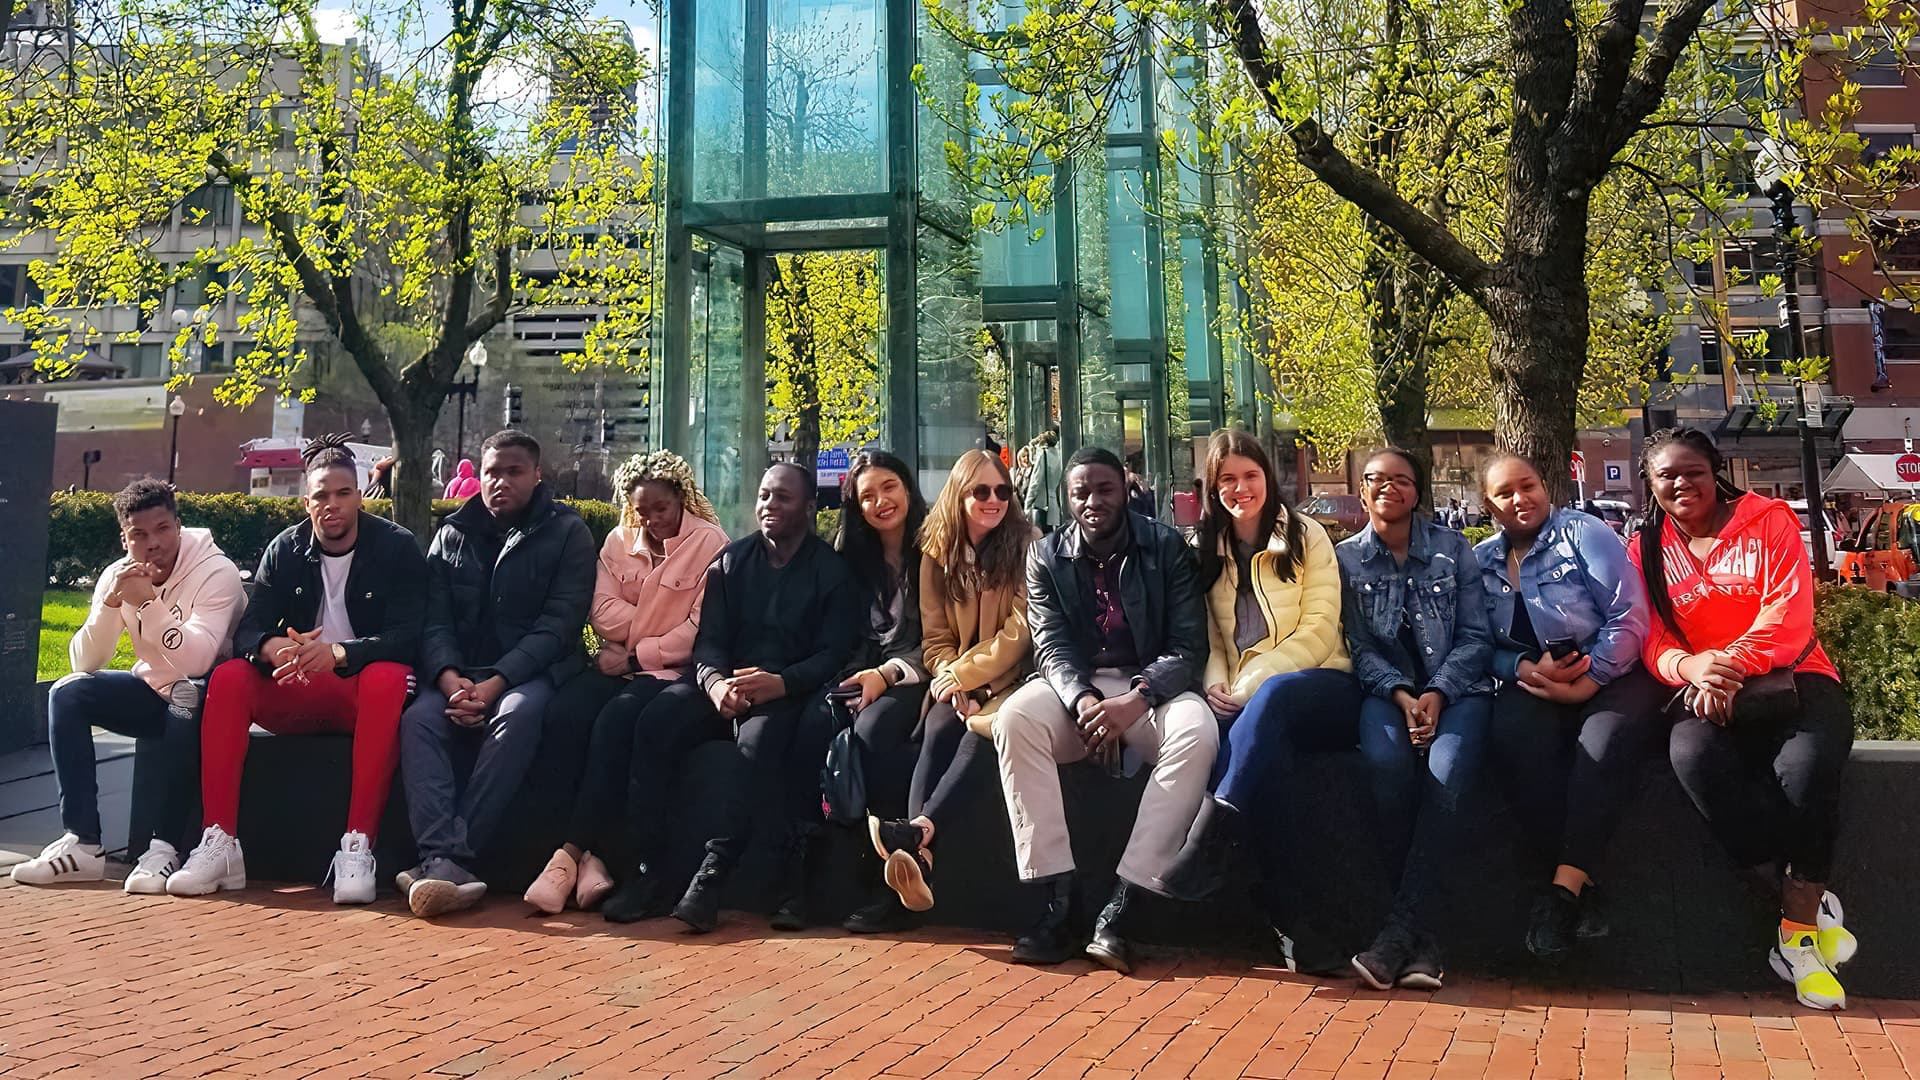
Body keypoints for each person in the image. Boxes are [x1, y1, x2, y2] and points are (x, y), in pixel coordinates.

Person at [1628, 427, 1858, 1011]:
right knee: (1693, 758)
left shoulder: (1769, 521)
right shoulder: (1645, 547)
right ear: (1650, 485)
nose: (1681, 484)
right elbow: (1649, 638)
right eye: (1666, 476)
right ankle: (1802, 904)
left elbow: (1789, 613)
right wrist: (1693, 667)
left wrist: (1726, 665)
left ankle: (1797, 937)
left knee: (1807, 771)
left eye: (1693, 471)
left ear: (1716, 471)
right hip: (1705, 689)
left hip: (1792, 678)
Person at [165, 437, 425, 903]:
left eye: (342, 493)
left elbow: (410, 634)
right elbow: (249, 630)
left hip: (362, 693)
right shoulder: (285, 549)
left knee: (388, 676)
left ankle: (357, 847)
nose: (332, 505)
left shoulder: (396, 547)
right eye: (321, 496)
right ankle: (220, 841)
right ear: (307, 502)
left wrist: (341, 653)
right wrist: (272, 647)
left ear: (360, 493)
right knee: (228, 678)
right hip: (298, 689)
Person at [993, 446, 1214, 975]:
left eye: (1104, 489)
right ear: (1067, 499)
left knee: (1198, 732)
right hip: (1080, 692)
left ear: (1126, 489)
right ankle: (1058, 901)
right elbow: (1050, 646)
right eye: (1080, 492)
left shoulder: (1166, 548)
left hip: (1149, 691)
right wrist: (1085, 700)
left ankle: (1124, 907)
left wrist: (1135, 698)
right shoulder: (1046, 555)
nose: (1092, 501)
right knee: (1015, 719)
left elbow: (1187, 647)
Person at [1154, 429, 1353, 973]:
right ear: (1211, 487)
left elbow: (1318, 628)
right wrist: (1217, 680)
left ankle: (1209, 838)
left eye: (1250, 476)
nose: (1240, 489)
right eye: (1227, 480)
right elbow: (1213, 638)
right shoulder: (1206, 550)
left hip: (1320, 684)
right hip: (1246, 700)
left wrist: (1248, 685)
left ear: (1268, 476)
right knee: (1266, 764)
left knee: (1272, 703)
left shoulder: (1306, 535)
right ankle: (1296, 922)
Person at [522, 450, 730, 919]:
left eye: (662, 509)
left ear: (682, 499)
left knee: (621, 720)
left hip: (670, 673)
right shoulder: (617, 540)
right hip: (617, 665)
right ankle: (593, 858)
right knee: (565, 713)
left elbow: (699, 628)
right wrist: (653, 628)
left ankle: (574, 854)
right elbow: (600, 608)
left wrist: (637, 652)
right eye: (643, 511)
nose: (652, 520)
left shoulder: (711, 543)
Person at [399, 431, 596, 917]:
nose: (500, 481)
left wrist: (495, 683)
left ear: (536, 475)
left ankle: (449, 858)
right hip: (457, 675)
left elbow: (558, 627)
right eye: (492, 472)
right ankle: (440, 858)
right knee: (418, 720)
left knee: (517, 717)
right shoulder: (451, 534)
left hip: (530, 675)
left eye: (513, 472)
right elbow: (434, 621)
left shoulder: (568, 532)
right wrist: (447, 679)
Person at [1473, 453, 1663, 960]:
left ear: (1545, 485)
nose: (1520, 499)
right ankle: (1583, 885)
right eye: (1505, 492)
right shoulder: (1482, 562)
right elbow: (1474, 641)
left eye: (1528, 485)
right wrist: (1520, 670)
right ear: (1488, 504)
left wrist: (1591, 678)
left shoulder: (1584, 533)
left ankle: (1558, 897)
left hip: (1615, 674)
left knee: (1598, 748)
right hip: (1540, 679)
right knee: (1513, 740)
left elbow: (1628, 615)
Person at [13, 479, 245, 892]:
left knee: (186, 695)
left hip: (214, 697)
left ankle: (164, 849)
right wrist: (111, 603)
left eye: (162, 529)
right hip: (153, 690)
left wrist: (148, 604)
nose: (152, 543)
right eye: (139, 534)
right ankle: (83, 843)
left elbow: (195, 662)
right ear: (125, 538)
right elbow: (85, 662)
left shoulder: (216, 572)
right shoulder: (118, 575)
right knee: (68, 693)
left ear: (179, 526)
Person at [669, 462, 863, 933]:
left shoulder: (832, 573)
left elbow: (835, 651)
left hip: (794, 693)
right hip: (728, 689)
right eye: (763, 496)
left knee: (761, 740)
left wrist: (781, 683)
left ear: (811, 507)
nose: (769, 506)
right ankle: (646, 871)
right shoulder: (732, 563)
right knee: (650, 721)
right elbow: (709, 642)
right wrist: (714, 684)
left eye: (783, 498)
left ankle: (715, 873)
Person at [1336, 448, 1493, 990]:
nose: (1389, 488)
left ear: (1418, 491)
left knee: (1445, 780)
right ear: (1362, 490)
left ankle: (1398, 935)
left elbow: (1477, 636)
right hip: (1387, 695)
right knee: (1385, 768)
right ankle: (1423, 941)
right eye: (1376, 479)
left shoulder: (1454, 551)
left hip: (1461, 693)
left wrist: (1440, 692)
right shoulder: (1346, 559)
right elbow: (1356, 645)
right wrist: (1402, 695)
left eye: (1402, 480)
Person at [859, 449, 1035, 932]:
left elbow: (1022, 634)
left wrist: (969, 681)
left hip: (1013, 679)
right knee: (937, 727)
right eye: (981, 491)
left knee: (981, 731)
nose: (993, 500)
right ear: (959, 495)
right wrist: (948, 680)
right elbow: (935, 638)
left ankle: (916, 839)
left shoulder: (1027, 545)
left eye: (1002, 490)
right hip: (958, 679)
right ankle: (919, 856)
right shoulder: (935, 552)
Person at [810, 452, 933, 932]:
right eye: (867, 495)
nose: (880, 501)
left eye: (889, 487)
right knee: (817, 727)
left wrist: (890, 675)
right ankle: (817, 880)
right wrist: (854, 676)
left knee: (874, 734)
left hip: (919, 673)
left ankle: (892, 883)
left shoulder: (935, 547)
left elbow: (944, 637)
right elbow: (847, 634)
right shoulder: (851, 555)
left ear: (907, 487)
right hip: (863, 672)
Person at [1022, 429, 1063, 532]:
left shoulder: (1043, 455)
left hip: (1042, 504)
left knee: (1042, 539)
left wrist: (1027, 505)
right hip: (1055, 502)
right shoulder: (1060, 455)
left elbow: (1035, 482)